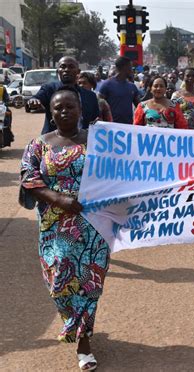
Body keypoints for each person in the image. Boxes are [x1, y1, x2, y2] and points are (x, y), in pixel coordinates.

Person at [20, 87, 110, 371]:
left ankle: (82, 341)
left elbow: (122, 170)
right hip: (54, 225)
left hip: (94, 225)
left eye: (70, 107)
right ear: (51, 112)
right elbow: (29, 179)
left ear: (80, 110)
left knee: (87, 282)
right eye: (58, 108)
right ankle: (77, 324)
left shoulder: (100, 142)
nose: (64, 112)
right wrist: (59, 199)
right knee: (59, 282)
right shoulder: (39, 145)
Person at [28, 56, 100, 134]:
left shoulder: (90, 96)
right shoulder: (49, 89)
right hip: (53, 142)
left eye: (71, 67)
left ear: (78, 72)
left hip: (81, 142)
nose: (66, 70)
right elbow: (36, 99)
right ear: (57, 71)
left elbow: (95, 120)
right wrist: (33, 101)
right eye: (63, 67)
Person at [98, 56, 140, 124]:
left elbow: (140, 106)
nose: (132, 70)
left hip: (127, 128)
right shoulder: (106, 84)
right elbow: (98, 106)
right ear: (125, 67)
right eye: (130, 67)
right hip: (110, 128)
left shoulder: (132, 86)